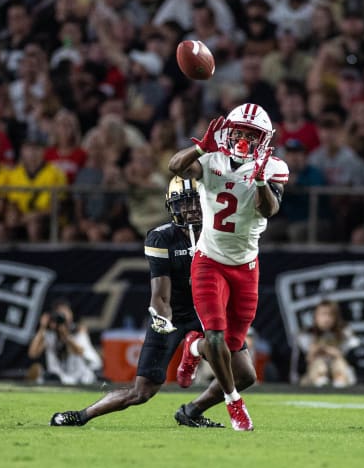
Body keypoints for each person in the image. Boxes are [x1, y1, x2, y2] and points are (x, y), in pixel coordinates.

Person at [51, 176, 257, 428]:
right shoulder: (161, 238)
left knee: (245, 374)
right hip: (175, 315)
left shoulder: (218, 234)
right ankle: (82, 415)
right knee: (141, 392)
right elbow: (160, 292)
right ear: (172, 206)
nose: (191, 209)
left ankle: (192, 409)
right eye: (184, 203)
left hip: (209, 310)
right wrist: (161, 317)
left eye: (195, 202)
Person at [168, 103, 289, 431]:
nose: (243, 140)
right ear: (228, 131)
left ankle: (191, 399)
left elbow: (269, 211)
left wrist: (261, 181)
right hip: (209, 261)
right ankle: (234, 403)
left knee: (246, 373)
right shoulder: (211, 160)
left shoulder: (273, 167)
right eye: (239, 132)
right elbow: (175, 167)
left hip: (246, 268)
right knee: (218, 337)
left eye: (252, 135)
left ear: (263, 139)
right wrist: (198, 148)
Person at [27, 299, 102, 386]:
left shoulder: (77, 330)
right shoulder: (50, 335)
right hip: (61, 376)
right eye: (60, 313)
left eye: (66, 312)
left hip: (81, 376)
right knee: (40, 372)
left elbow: (79, 351)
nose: (64, 317)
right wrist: (42, 327)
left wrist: (65, 336)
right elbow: (33, 354)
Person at [296, 300, 359, 388]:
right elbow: (299, 369)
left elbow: (354, 363)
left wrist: (336, 353)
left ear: (336, 317)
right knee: (319, 363)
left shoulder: (345, 334)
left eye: (330, 314)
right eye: (322, 314)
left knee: (338, 363)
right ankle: (321, 381)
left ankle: (339, 382)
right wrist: (312, 354)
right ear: (315, 317)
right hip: (313, 377)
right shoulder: (306, 336)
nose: (326, 319)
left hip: (342, 376)